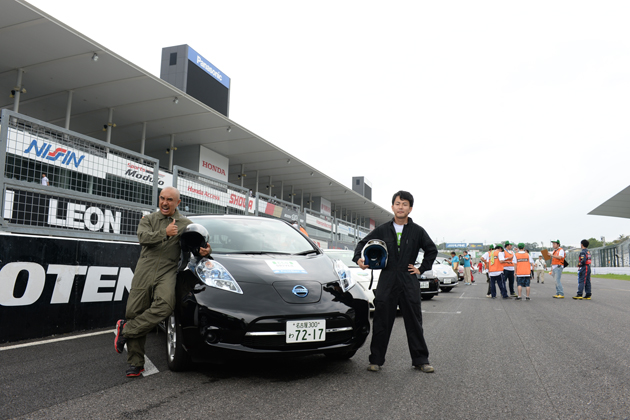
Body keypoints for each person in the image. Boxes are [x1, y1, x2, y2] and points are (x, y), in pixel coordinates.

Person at [114, 187, 211, 377]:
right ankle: (136, 364)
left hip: (167, 271)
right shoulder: (149, 220)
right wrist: (164, 233)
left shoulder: (186, 224)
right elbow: (142, 238)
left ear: (178, 203)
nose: (165, 203)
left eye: (170, 200)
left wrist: (204, 252)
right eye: (162, 198)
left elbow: (197, 246)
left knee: (165, 306)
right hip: (144, 271)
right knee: (134, 312)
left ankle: (125, 330)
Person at [353, 190, 437, 373]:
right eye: (398, 203)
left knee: (414, 321)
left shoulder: (418, 231)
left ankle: (421, 360)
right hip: (388, 278)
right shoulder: (383, 229)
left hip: (409, 279)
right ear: (392, 206)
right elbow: (362, 244)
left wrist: (421, 269)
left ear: (410, 208)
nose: (401, 207)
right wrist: (358, 258)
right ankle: (375, 360)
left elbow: (431, 250)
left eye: (405, 204)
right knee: (382, 320)